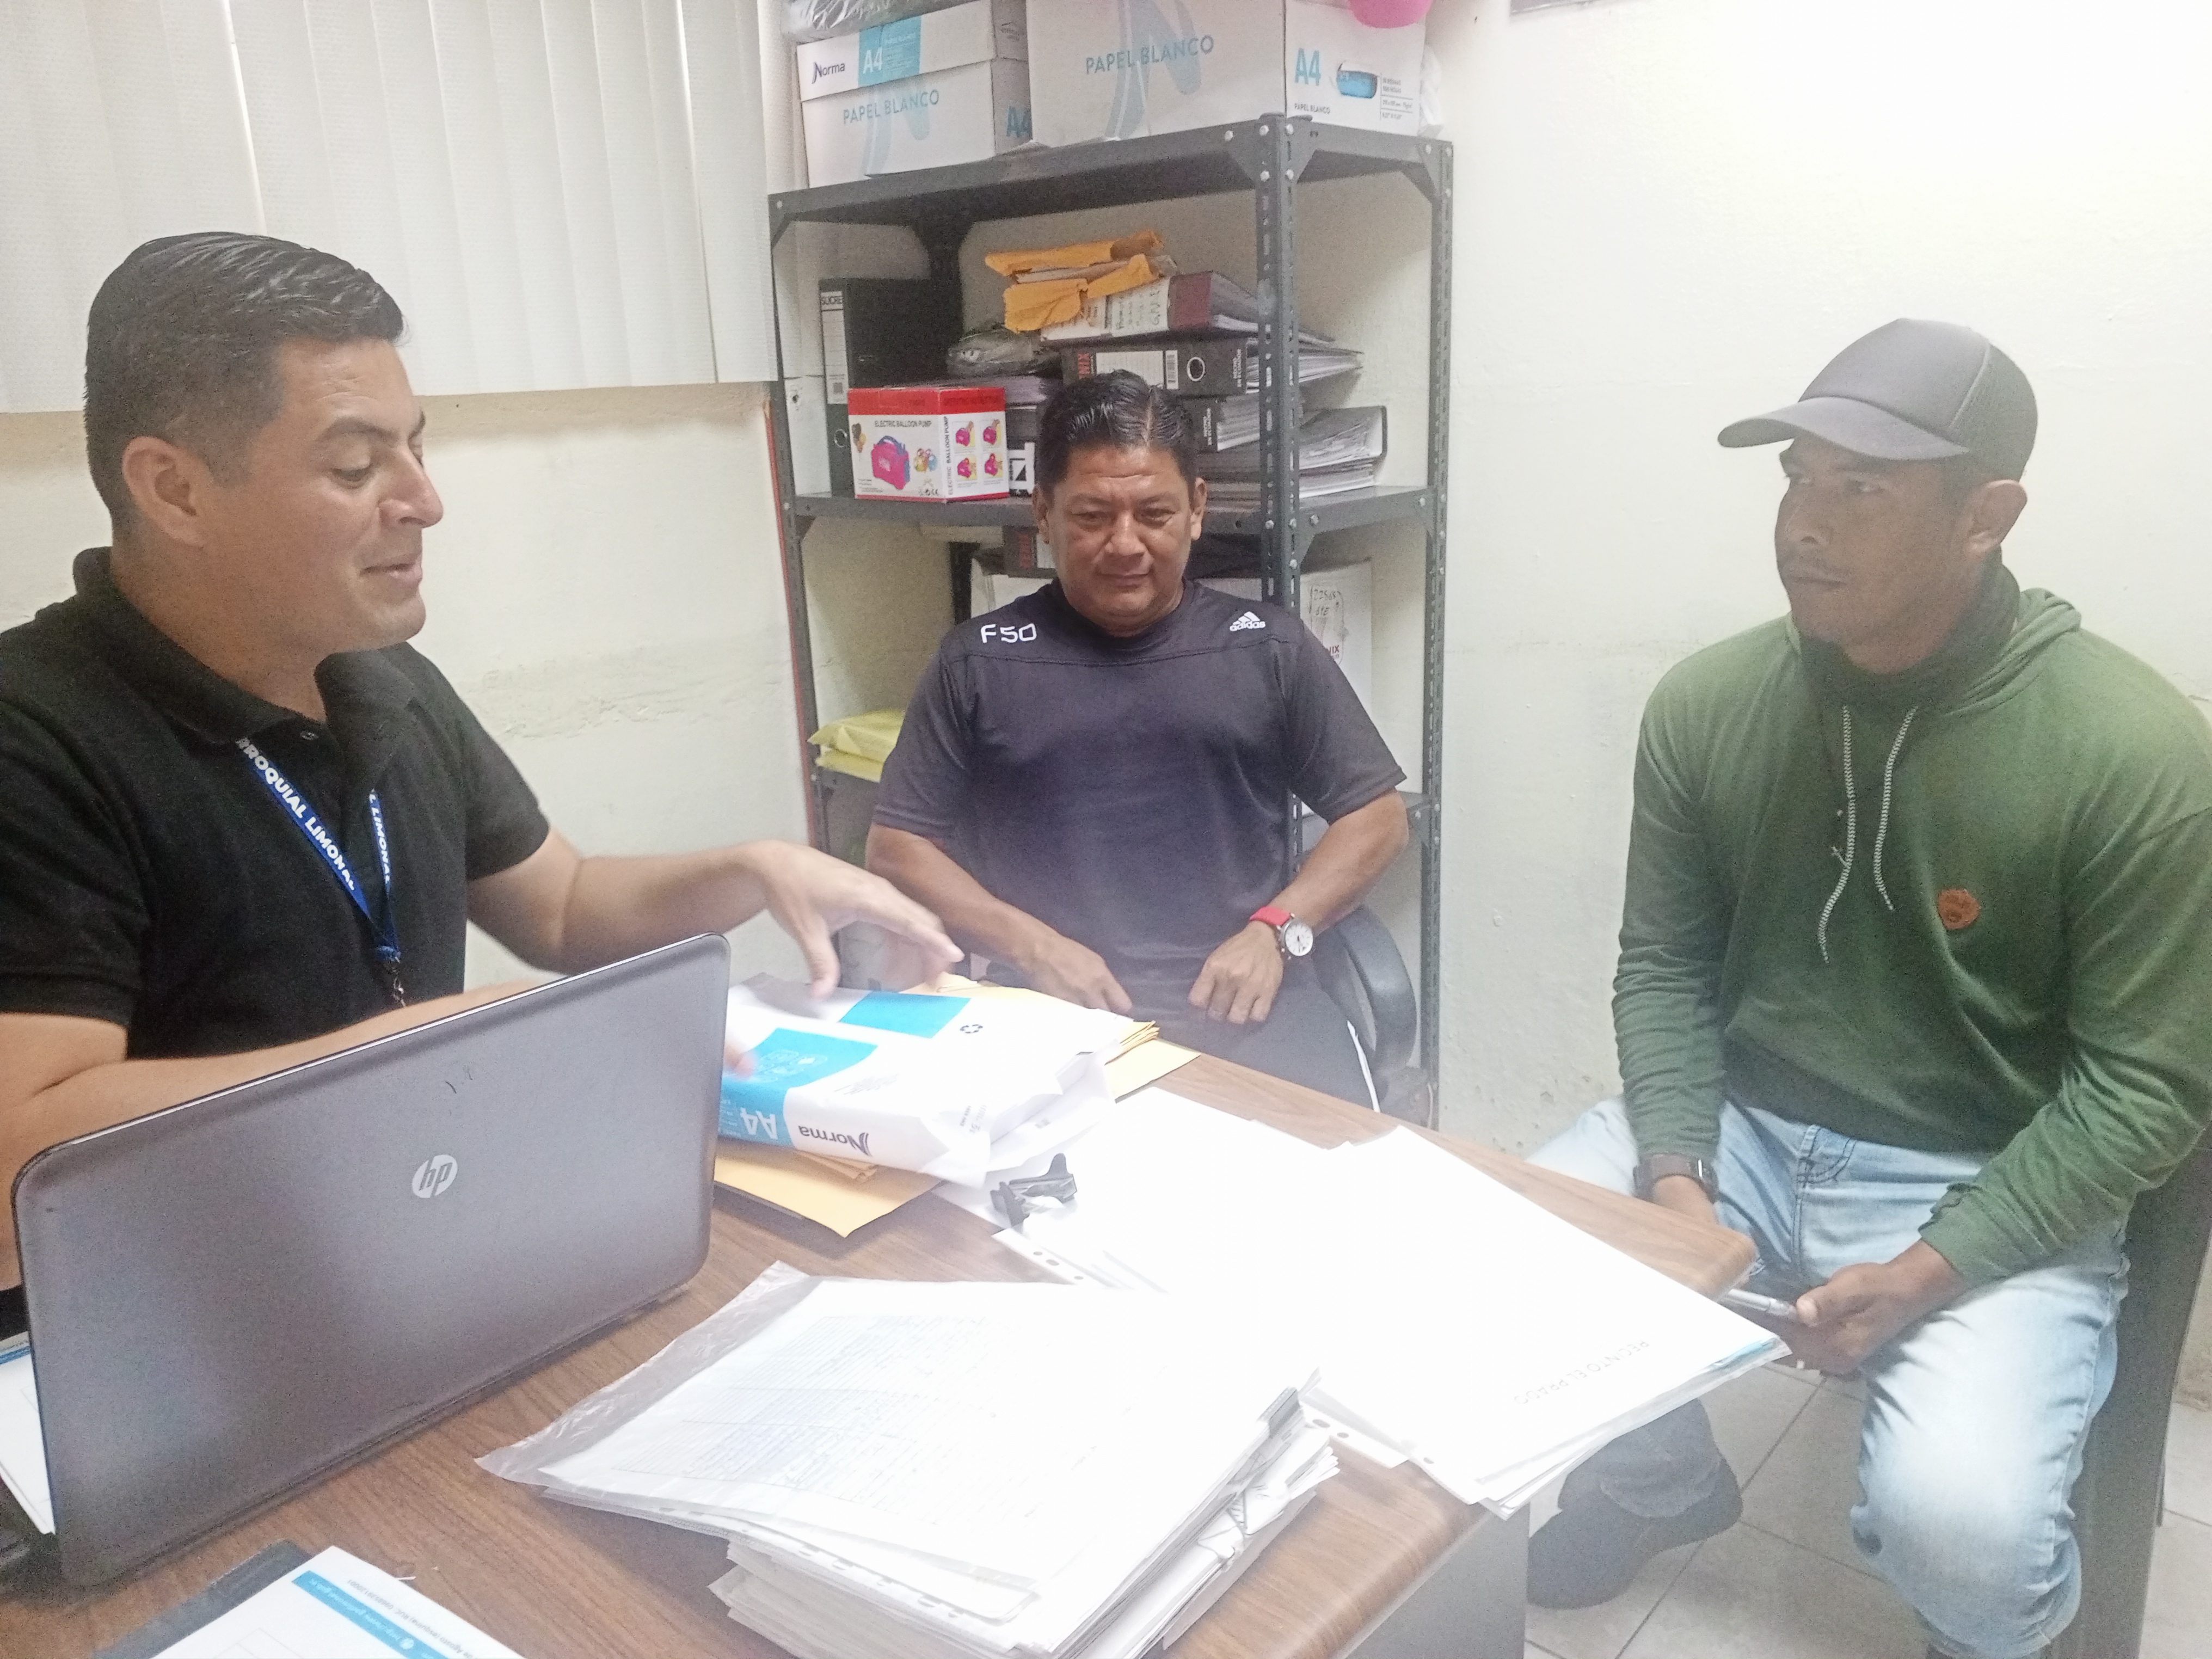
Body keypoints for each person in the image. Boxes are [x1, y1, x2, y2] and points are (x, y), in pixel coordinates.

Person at [0, 232, 960, 1334]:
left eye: (415, 448)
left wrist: (757, 868)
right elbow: (17, 1164)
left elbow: (561, 906)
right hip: (174, 1331)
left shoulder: (376, 676)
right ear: (174, 489)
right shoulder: (36, 738)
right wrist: (437, 1057)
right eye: (354, 467)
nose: (424, 501)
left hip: (407, 1249)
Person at [1523, 319, 2212, 1659]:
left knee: (1964, 1530)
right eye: (1796, 479)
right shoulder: (1708, 703)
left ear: (1985, 518)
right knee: (1498, 1271)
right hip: (1741, 1136)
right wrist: (1676, 1183)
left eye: (1862, 489)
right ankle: (1663, 1482)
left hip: (1981, 1171)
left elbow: (2145, 1087)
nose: (1804, 525)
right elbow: (1663, 965)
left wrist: (1924, 1271)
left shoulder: (2133, 753)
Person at [866, 373, 1409, 1106]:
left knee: (1335, 1167)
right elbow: (897, 846)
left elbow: (1377, 818)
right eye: (1093, 515)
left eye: (1154, 513)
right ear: (1043, 512)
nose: (1125, 544)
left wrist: (1277, 931)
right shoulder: (979, 662)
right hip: (1051, 1008)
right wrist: (1031, 946)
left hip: (1244, 999)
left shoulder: (1266, 648)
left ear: (1197, 509)